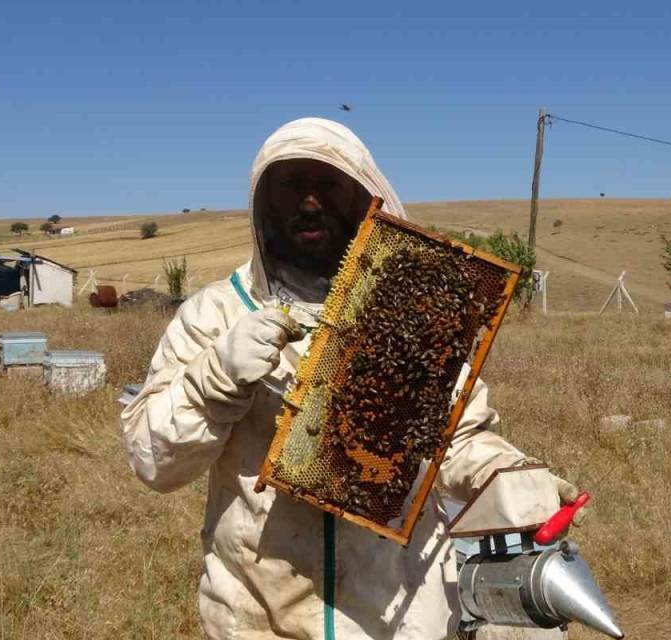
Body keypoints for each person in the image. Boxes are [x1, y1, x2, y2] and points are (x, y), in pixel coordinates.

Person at [121, 118, 582, 639]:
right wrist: (214, 378)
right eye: (292, 185)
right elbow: (152, 462)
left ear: (364, 193)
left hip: (397, 616)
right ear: (265, 202)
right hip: (259, 616)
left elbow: (454, 435)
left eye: (329, 184)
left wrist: (503, 474)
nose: (310, 202)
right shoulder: (215, 314)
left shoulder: (411, 309)